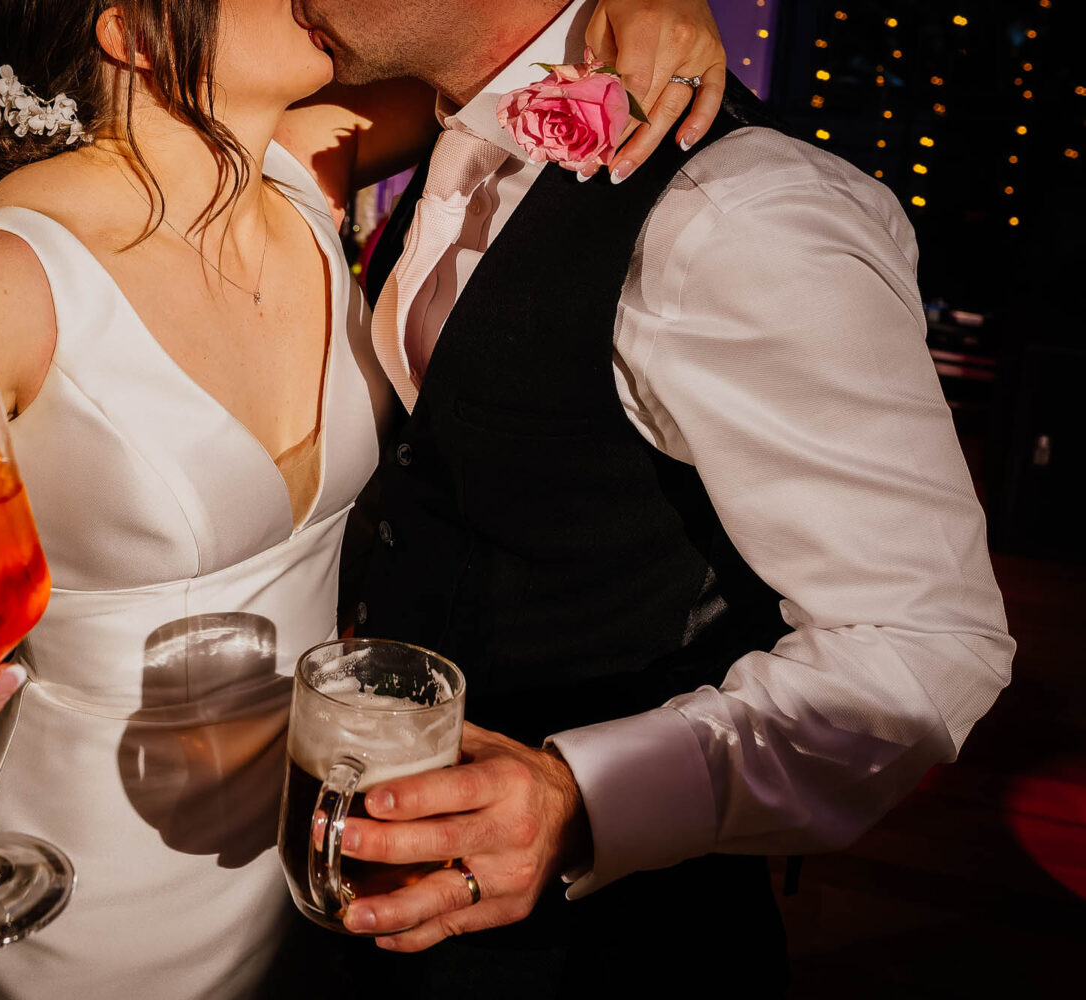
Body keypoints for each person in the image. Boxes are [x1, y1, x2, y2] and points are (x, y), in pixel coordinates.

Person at [0, 1, 727, 996]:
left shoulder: (307, 162)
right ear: (133, 29)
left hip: (313, 852)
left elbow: (499, 46)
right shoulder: (9, 279)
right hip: (92, 889)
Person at [286, 0, 1016, 994]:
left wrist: (582, 800)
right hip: (390, 886)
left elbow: (925, 645)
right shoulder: (450, 121)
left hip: (611, 946)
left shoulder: (740, 217)